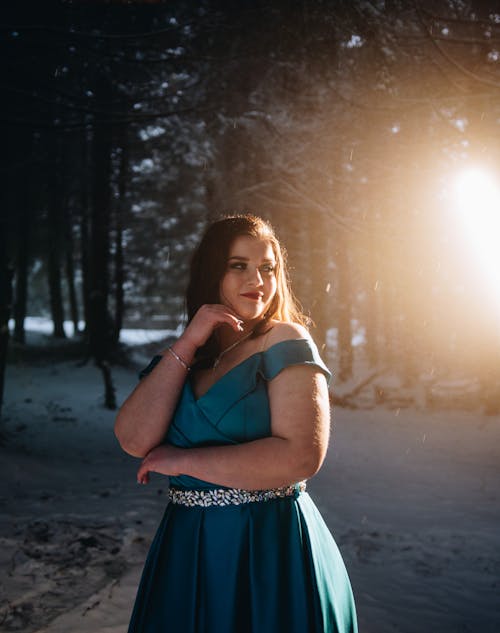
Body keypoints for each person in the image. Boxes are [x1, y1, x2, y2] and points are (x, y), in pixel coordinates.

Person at [114, 214, 357, 633]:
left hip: (268, 548)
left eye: (268, 268)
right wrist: (189, 342)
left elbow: (301, 456)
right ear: (212, 272)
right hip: (187, 547)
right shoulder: (187, 358)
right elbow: (134, 440)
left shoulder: (284, 339)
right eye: (238, 265)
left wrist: (183, 462)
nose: (258, 280)